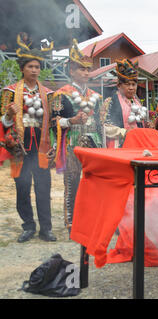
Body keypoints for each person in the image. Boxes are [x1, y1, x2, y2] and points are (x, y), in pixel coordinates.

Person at [0, 34, 56, 242]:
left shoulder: (49, 94)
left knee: (44, 189)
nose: (34, 70)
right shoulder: (9, 92)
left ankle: (46, 228)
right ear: (22, 68)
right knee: (22, 189)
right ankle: (28, 226)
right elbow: (3, 123)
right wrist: (8, 115)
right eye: (30, 66)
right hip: (20, 148)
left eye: (37, 66)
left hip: (41, 147)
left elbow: (52, 124)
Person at [52, 39, 104, 234]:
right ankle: (71, 221)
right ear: (71, 70)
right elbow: (53, 122)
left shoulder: (95, 96)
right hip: (71, 143)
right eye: (81, 69)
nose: (85, 73)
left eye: (87, 69)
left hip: (93, 144)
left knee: (92, 182)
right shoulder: (61, 94)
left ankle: (90, 218)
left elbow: (99, 124)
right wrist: (71, 121)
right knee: (72, 183)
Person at [103, 59, 158, 148]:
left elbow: (143, 121)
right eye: (127, 84)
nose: (131, 88)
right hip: (120, 144)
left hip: (138, 142)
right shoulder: (110, 102)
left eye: (133, 84)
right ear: (119, 85)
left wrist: (149, 124)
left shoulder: (137, 102)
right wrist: (124, 132)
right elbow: (104, 128)